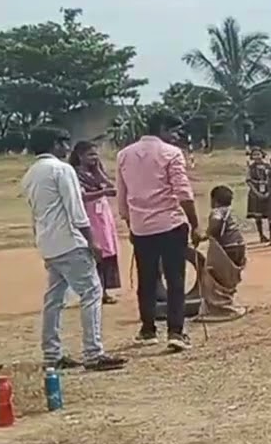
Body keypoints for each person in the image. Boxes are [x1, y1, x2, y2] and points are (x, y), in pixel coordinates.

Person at [22, 126, 127, 372]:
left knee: (54, 299)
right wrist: (91, 240)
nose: (68, 147)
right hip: (70, 242)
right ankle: (93, 352)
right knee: (92, 292)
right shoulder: (62, 169)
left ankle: (52, 354)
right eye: (64, 142)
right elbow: (76, 209)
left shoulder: (30, 174)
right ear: (54, 144)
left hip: (49, 243)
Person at [117, 110, 200, 352]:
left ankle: (148, 329)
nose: (176, 136)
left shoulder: (124, 154)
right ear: (163, 128)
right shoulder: (171, 153)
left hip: (141, 227)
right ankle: (176, 331)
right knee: (175, 279)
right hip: (171, 224)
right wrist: (195, 223)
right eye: (173, 131)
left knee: (147, 278)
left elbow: (122, 195)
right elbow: (183, 191)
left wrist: (129, 221)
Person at [69, 140, 121, 304]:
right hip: (89, 214)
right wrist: (103, 192)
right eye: (90, 154)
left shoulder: (95, 173)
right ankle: (93, 290)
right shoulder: (75, 174)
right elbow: (81, 196)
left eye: (96, 154)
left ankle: (104, 290)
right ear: (80, 156)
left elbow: (111, 187)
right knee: (94, 252)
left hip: (103, 216)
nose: (94, 157)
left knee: (106, 252)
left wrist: (98, 171)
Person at [197, 185, 247, 322]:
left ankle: (221, 308)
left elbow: (215, 226)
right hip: (239, 246)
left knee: (214, 276)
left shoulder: (217, 211)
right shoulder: (231, 212)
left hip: (227, 248)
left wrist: (203, 236)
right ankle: (228, 303)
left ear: (214, 200)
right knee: (228, 278)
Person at [244, 148, 270, 243]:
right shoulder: (251, 168)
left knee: (269, 214)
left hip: (267, 192)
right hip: (255, 193)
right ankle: (261, 235)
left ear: (262, 154)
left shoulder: (268, 167)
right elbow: (249, 181)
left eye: (258, 154)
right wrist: (257, 193)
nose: (256, 156)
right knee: (257, 215)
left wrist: (268, 192)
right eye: (254, 155)